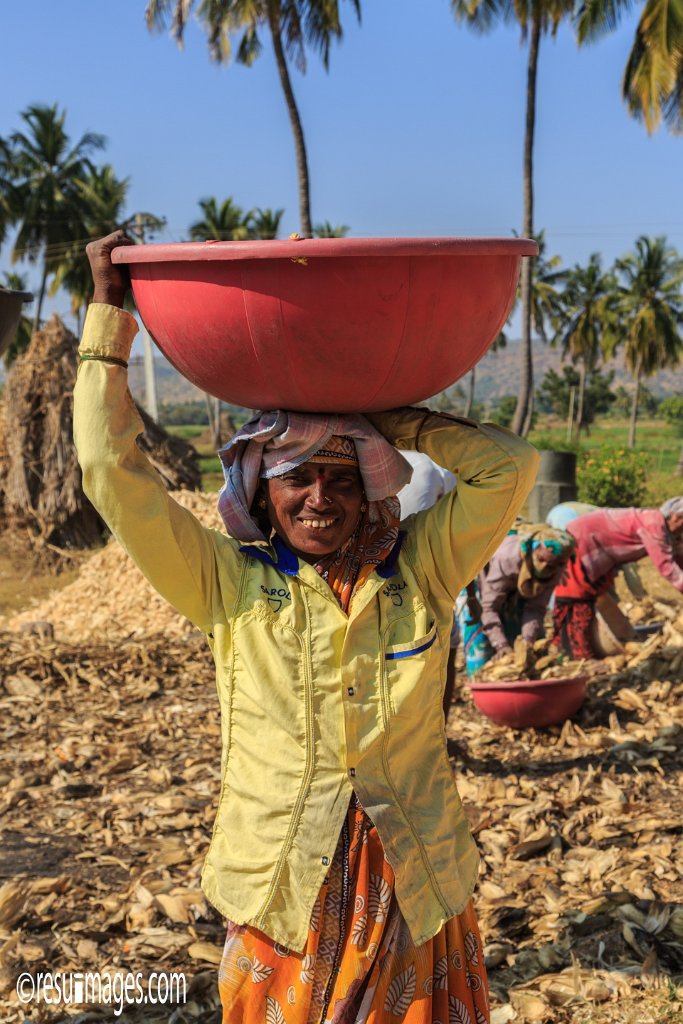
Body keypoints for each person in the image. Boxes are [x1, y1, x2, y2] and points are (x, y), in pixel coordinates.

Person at [73, 231, 539, 1024]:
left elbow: (509, 467)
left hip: (411, 879)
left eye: (341, 478)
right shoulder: (229, 585)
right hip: (283, 887)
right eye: (296, 478)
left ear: (369, 496)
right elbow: (111, 476)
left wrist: (387, 420)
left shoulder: (417, 572)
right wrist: (107, 319)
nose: (319, 498)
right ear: (261, 494)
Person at [552, 500, 683, 659]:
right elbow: (666, 567)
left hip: (601, 551)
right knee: (577, 597)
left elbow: (677, 557)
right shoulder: (654, 524)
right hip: (584, 540)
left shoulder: (667, 529)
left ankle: (584, 648)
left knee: (593, 597)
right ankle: (574, 655)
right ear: (676, 518)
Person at [477, 526, 576, 659]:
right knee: (482, 650)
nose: (544, 567)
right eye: (541, 559)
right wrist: (501, 644)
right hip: (481, 583)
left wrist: (527, 642)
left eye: (551, 565)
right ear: (532, 550)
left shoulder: (556, 570)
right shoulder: (507, 558)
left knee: (532, 650)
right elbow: (489, 608)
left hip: (515, 592)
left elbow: (535, 608)